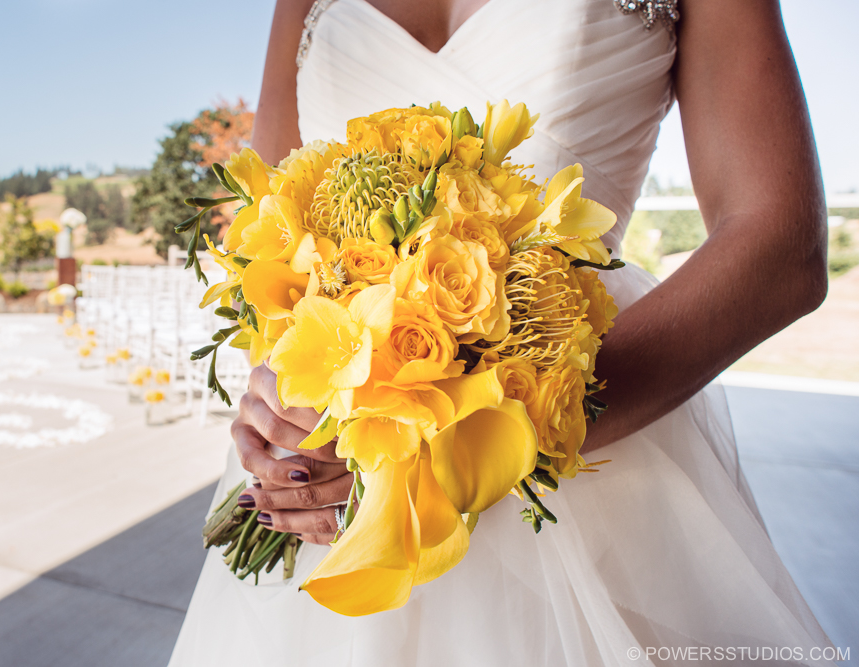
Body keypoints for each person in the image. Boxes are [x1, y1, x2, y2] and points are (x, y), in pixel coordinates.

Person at [170, 0, 833, 664]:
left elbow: (781, 247)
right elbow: (266, 229)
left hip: (590, 429)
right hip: (330, 453)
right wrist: (280, 395)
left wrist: (461, 436)